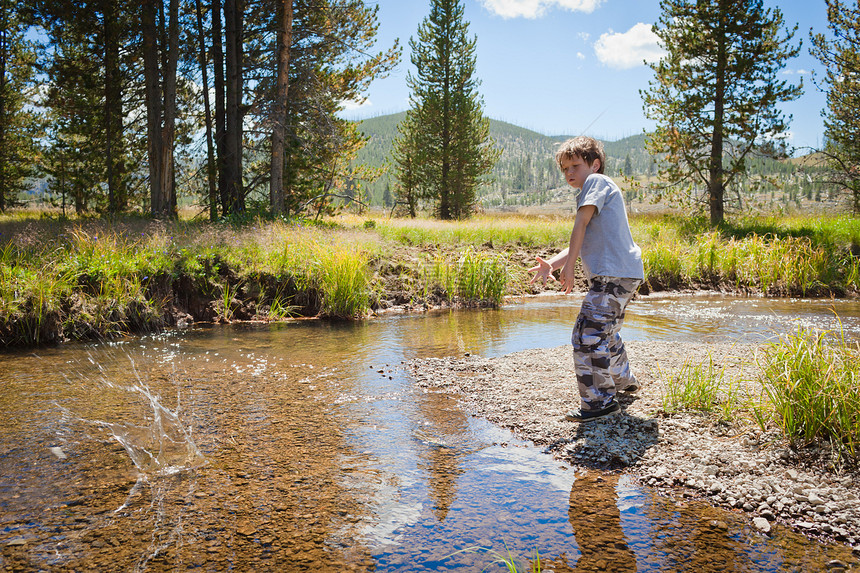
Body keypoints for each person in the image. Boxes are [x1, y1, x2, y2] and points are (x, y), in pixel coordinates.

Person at [529, 136, 644, 422]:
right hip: (624, 272)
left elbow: (579, 225)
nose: (569, 173)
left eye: (575, 166)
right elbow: (582, 238)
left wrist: (569, 269)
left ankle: (599, 403)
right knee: (604, 330)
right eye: (565, 169)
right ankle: (623, 381)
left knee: (586, 335)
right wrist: (553, 265)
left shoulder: (595, 182)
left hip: (612, 274)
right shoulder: (599, 189)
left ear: (594, 164)